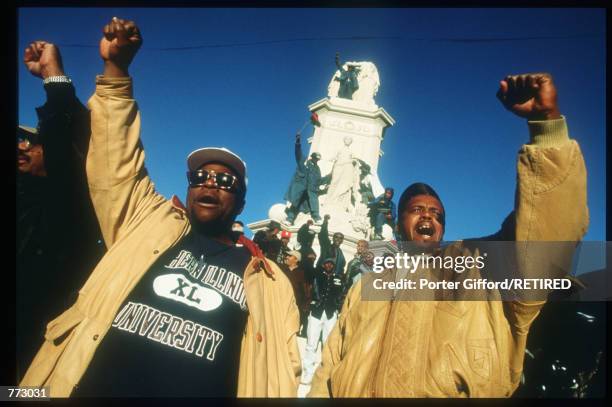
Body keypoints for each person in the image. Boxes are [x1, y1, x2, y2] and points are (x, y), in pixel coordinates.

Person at [20, 18, 300, 398]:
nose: (209, 184)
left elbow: (282, 372)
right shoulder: (144, 222)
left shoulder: (272, 282)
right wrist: (116, 71)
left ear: (241, 202)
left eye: (225, 181)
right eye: (200, 175)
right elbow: (115, 162)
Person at [308, 72, 589, 397]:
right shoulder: (366, 288)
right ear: (398, 223)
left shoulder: (480, 267)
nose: (428, 216)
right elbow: (329, 368)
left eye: (436, 213)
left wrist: (546, 128)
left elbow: (547, 233)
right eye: (417, 210)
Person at [16, 41, 106, 380]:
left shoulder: (70, 202)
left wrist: (53, 76)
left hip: (36, 352)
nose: (21, 147)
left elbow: (71, 133)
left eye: (30, 141)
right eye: (16, 140)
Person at [301, 258, 346, 385]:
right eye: (327, 263)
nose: (329, 265)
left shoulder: (338, 278)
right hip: (316, 313)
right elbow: (309, 288)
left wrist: (337, 306)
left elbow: (342, 294)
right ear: (323, 264)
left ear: (334, 265)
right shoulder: (317, 275)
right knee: (311, 342)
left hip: (331, 314)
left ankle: (323, 373)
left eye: (331, 263)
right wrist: (312, 303)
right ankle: (307, 373)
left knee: (327, 343)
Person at [284, 133, 324, 224]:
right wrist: (298, 142)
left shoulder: (317, 169)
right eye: (315, 158)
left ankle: (316, 217)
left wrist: (331, 176)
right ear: (312, 157)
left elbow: (320, 180)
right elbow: (298, 153)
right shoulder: (303, 161)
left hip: (310, 189)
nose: (316, 160)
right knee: (295, 203)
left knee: (313, 203)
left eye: (317, 159)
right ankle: (289, 219)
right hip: (300, 186)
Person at [280, 250, 311, 337]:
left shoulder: (301, 274)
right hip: (278, 303)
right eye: (287, 255)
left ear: (296, 259)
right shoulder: (281, 269)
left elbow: (305, 292)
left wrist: (304, 306)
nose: (286, 257)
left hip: (291, 307)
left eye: (289, 256)